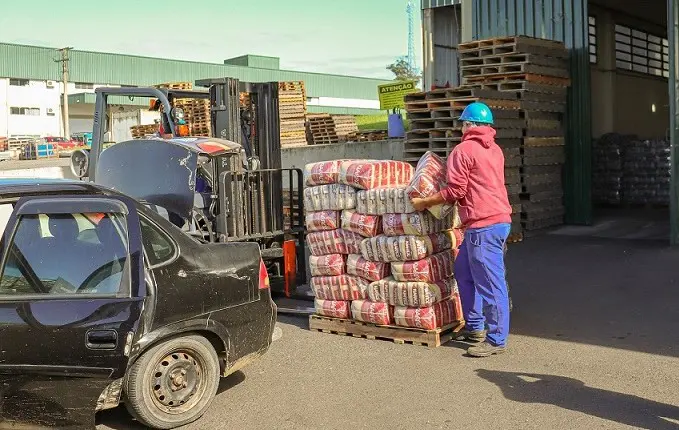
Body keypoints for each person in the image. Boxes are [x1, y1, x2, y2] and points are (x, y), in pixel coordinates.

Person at [411, 101, 512, 358]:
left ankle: (496, 339)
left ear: (468, 125)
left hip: (483, 225)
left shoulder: (463, 150)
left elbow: (456, 191)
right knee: (464, 272)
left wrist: (425, 202)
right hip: (497, 221)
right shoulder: (496, 150)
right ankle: (475, 326)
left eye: (463, 123)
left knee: (491, 282)